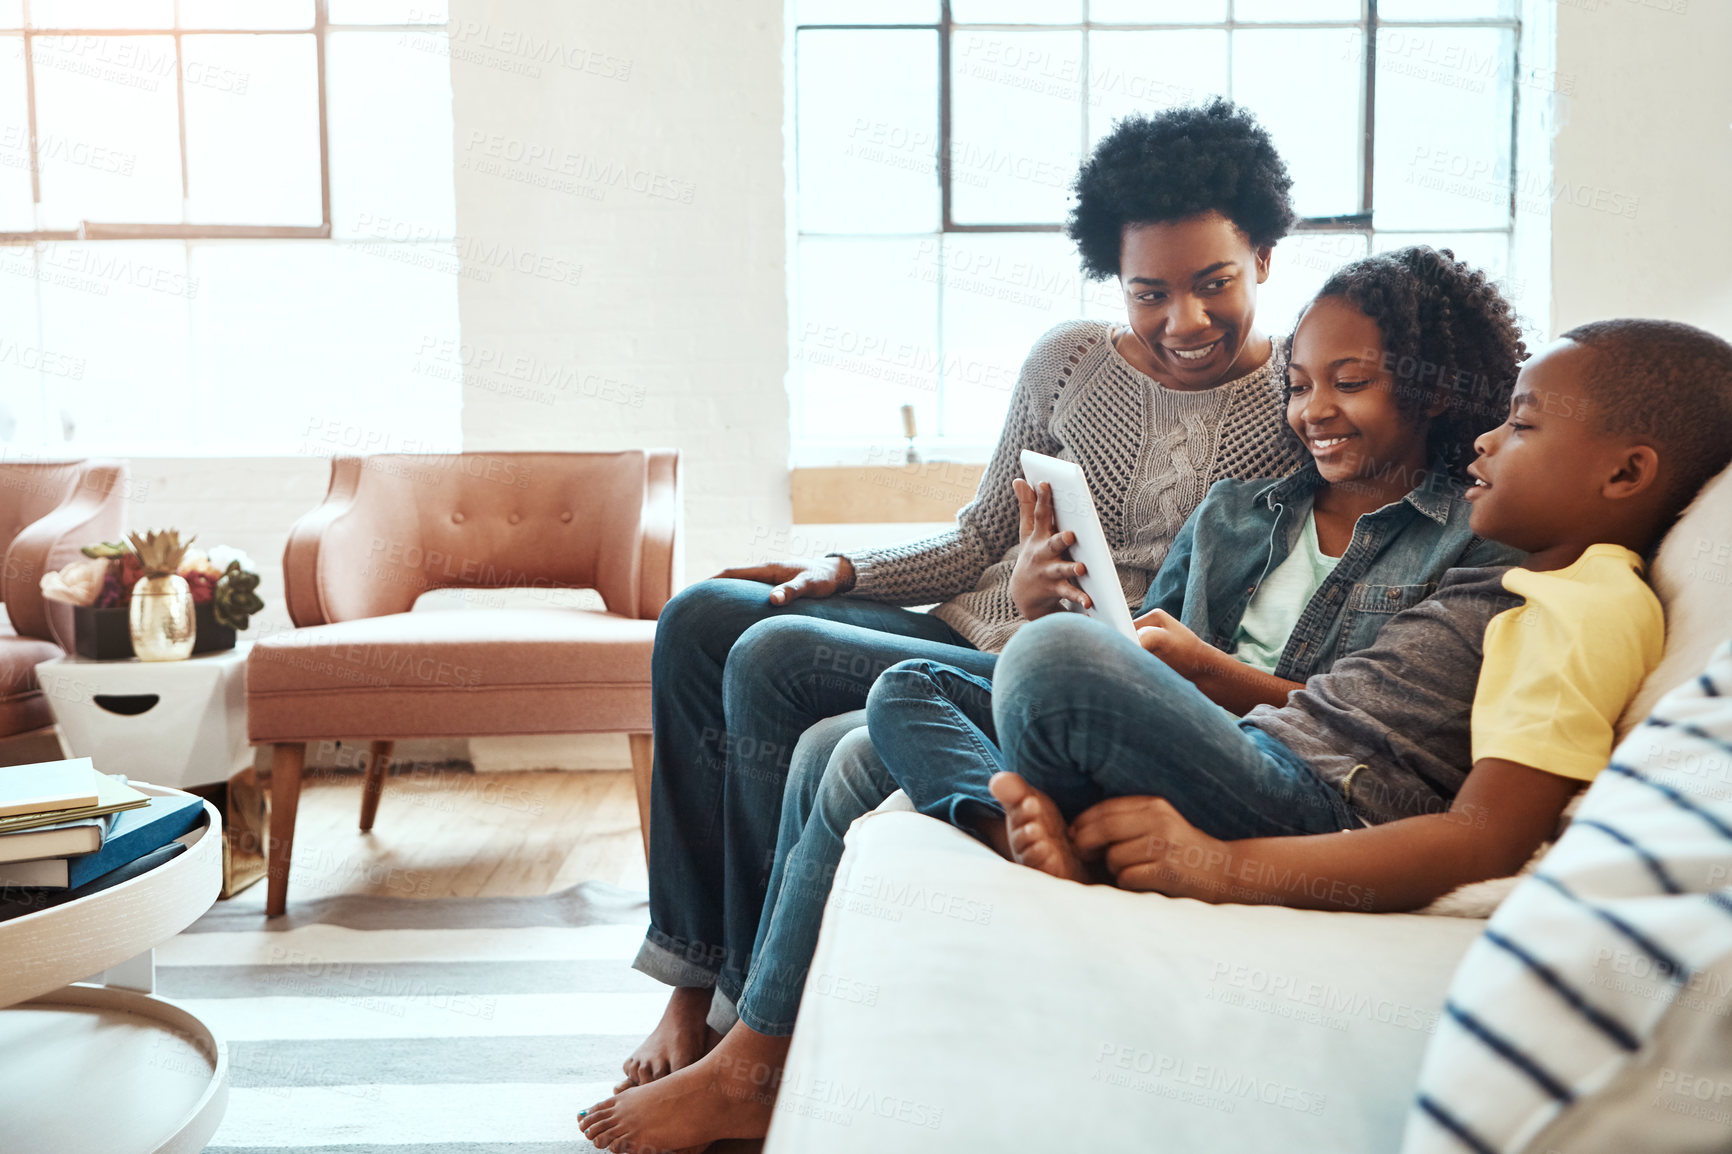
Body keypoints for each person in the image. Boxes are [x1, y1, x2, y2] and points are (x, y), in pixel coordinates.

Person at [575, 245, 1530, 1149]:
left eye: (1349, 382)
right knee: (875, 720)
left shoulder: (1473, 538)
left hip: (1283, 769)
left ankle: (751, 1061)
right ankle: (817, 982)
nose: (1313, 408)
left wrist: (1198, 669)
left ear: (1436, 387)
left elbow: (1353, 722)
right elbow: (1111, 627)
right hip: (1164, 728)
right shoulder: (1244, 510)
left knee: (1032, 664)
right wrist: (1052, 611)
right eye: (1300, 385)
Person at [618, 98, 1305, 1095]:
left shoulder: (1302, 397)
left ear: (1266, 259)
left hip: (1070, 668)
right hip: (970, 623)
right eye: (1147, 291)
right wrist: (840, 573)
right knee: (705, 617)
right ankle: (694, 977)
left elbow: (1216, 614)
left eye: (1214, 285)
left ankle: (748, 1017)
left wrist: (1043, 612)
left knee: (769, 658)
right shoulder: (1068, 361)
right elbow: (983, 532)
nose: (1180, 321)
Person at [987, 318, 1732, 911]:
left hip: (1318, 800)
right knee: (915, 688)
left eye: (1524, 427)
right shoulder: (1527, 579)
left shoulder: (1591, 607)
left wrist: (1222, 868)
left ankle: (1062, 834)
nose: (1487, 440)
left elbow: (1486, 841)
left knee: (1051, 660)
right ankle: (1026, 829)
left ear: (1626, 472)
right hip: (1264, 752)